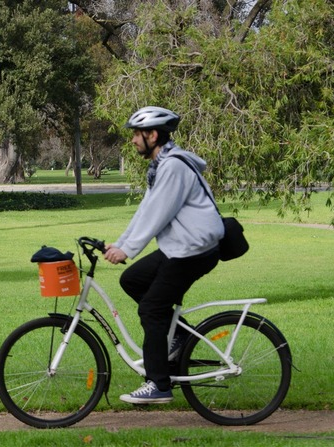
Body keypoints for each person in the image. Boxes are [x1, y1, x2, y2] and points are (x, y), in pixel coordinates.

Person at [104, 106, 224, 404]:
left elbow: (158, 215)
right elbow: (145, 210)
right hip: (180, 247)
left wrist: (127, 249)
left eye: (136, 134)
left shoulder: (173, 167)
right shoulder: (161, 165)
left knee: (152, 310)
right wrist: (119, 244)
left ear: (152, 135)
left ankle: (159, 384)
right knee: (132, 279)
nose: (133, 140)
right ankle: (181, 337)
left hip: (194, 250)